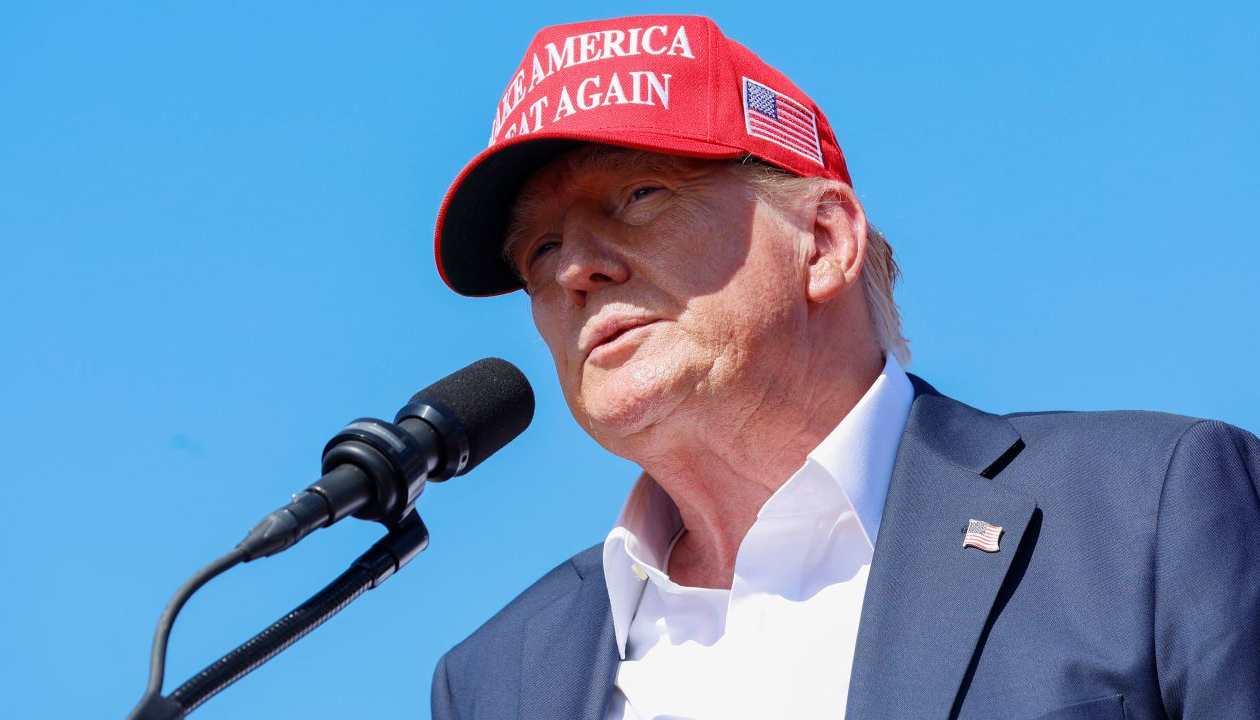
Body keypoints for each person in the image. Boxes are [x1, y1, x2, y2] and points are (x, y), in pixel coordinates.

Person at [428, 15, 1260, 720]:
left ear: (824, 242)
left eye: (641, 196)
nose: (575, 268)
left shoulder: (1152, 513)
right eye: (538, 249)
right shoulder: (498, 679)